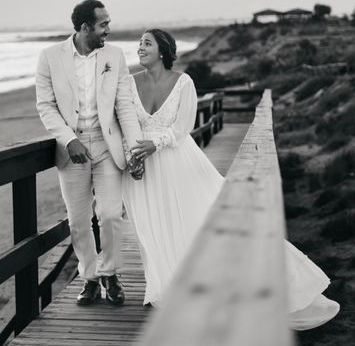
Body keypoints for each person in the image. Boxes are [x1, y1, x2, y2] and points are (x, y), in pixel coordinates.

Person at [123, 28, 340, 329]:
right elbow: (124, 122)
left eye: (146, 43)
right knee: (154, 226)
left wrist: (154, 143)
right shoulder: (130, 83)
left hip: (177, 161)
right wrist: (132, 154)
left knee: (193, 220)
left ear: (162, 50)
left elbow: (184, 126)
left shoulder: (183, 82)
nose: (140, 48)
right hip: (144, 167)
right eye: (139, 43)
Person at [35, 0, 142, 306]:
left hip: (107, 145)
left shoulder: (115, 55)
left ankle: (110, 274)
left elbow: (124, 105)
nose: (108, 29)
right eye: (103, 24)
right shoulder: (49, 57)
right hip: (73, 149)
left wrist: (134, 149)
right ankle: (90, 277)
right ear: (85, 28)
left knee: (110, 214)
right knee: (78, 221)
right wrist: (68, 139)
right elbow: (46, 106)